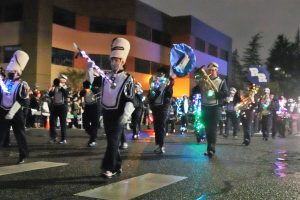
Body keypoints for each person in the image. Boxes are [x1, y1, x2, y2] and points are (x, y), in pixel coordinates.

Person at [85, 37, 134, 178]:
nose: (113, 62)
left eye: (116, 60)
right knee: (112, 141)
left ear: (123, 61)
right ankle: (117, 165)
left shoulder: (127, 78)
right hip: (107, 113)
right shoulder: (105, 76)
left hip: (119, 114)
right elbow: (93, 84)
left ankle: (109, 168)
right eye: (112, 60)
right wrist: (89, 69)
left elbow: (131, 98)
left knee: (113, 141)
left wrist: (126, 114)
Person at [0, 50, 30, 164]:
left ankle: (23, 155)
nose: (10, 72)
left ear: (18, 72)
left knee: (20, 135)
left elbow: (21, 101)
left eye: (13, 71)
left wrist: (11, 113)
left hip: (16, 114)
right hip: (3, 112)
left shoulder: (22, 84)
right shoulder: (5, 82)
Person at [194, 62, 228, 157]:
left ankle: (211, 149)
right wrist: (198, 82)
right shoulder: (203, 81)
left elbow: (225, 93)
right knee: (207, 129)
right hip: (205, 107)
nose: (211, 72)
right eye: (209, 70)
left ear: (217, 71)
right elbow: (194, 91)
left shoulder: (221, 82)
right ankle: (209, 148)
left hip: (215, 108)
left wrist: (215, 94)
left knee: (212, 129)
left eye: (213, 70)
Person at [148, 67, 174, 154]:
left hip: (164, 107)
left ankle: (161, 146)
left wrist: (169, 85)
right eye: (158, 74)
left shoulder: (167, 83)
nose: (159, 75)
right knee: (156, 126)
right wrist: (153, 90)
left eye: (161, 74)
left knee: (161, 125)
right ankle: (158, 145)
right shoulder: (154, 83)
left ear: (164, 75)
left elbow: (169, 94)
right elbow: (151, 95)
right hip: (155, 107)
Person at [48, 74, 70, 144]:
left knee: (63, 123)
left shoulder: (66, 87)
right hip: (55, 106)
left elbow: (66, 94)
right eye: (59, 78)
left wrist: (61, 87)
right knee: (52, 122)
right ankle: (53, 137)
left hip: (63, 107)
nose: (60, 79)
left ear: (65, 80)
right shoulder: (55, 87)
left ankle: (63, 139)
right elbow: (50, 95)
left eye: (62, 78)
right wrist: (52, 89)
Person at [80, 80, 101, 147]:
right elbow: (81, 94)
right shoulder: (83, 91)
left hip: (95, 108)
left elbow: (99, 92)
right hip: (87, 108)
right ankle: (93, 135)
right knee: (85, 124)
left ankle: (93, 140)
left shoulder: (96, 90)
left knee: (94, 125)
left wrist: (90, 88)